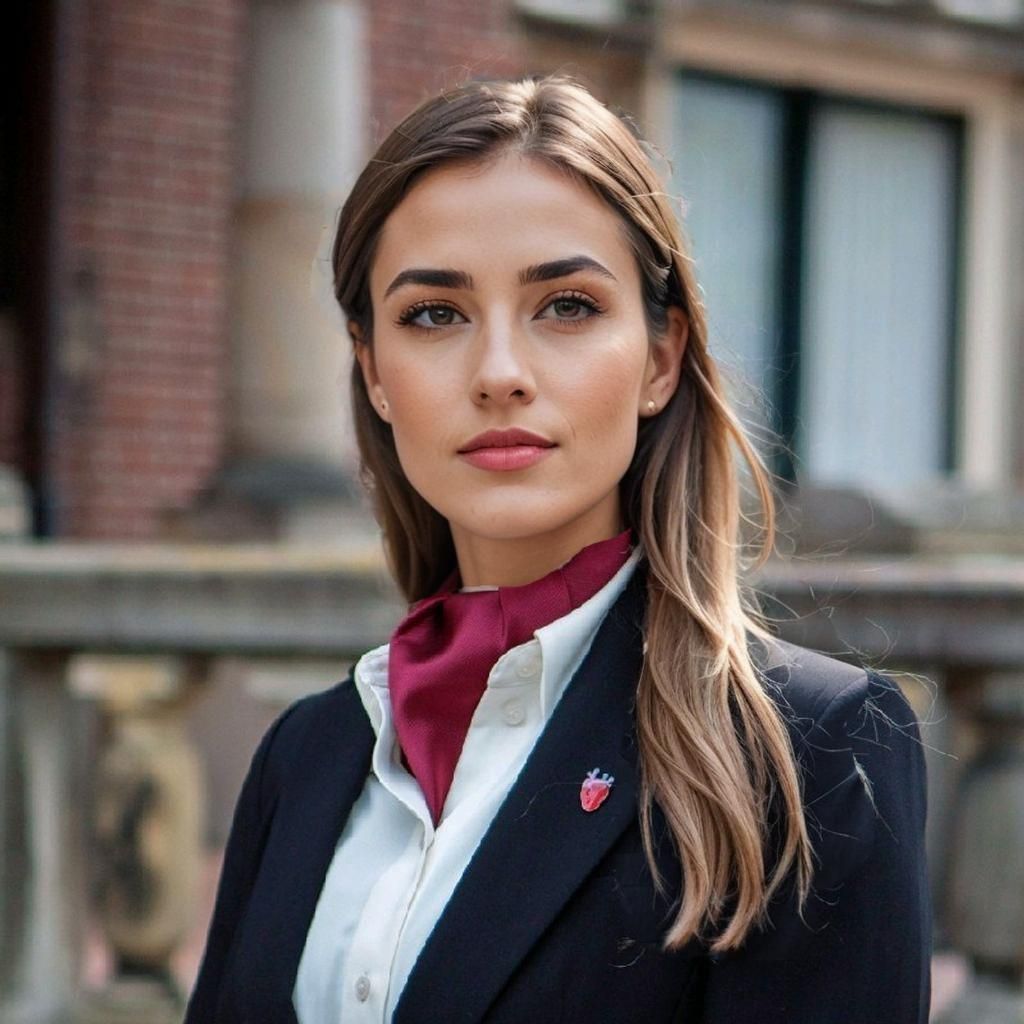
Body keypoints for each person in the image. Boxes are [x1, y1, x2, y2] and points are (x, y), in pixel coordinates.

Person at [184, 75, 932, 1024]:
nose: (500, 373)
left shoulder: (811, 753)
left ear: (661, 358)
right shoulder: (307, 755)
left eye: (567, 306)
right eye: (434, 315)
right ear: (373, 372)